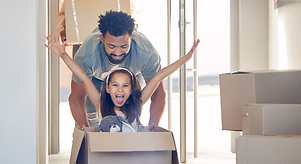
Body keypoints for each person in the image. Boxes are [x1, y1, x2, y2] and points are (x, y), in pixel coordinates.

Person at [46, 32, 200, 130]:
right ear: (107, 88)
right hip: (109, 155)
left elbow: (159, 76)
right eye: (115, 85)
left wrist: (185, 59)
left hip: (131, 154)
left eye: (125, 85)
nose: (120, 89)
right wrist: (63, 55)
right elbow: (84, 78)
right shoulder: (102, 105)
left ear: (132, 89)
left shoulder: (137, 103)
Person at [60, 10, 170, 128]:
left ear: (131, 38)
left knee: (131, 114)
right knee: (91, 113)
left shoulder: (146, 54)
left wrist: (152, 127)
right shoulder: (87, 54)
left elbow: (158, 93)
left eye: (124, 46)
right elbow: (76, 96)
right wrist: (86, 132)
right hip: (97, 78)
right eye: (112, 46)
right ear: (102, 39)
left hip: (134, 76)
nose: (118, 53)